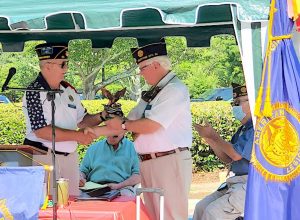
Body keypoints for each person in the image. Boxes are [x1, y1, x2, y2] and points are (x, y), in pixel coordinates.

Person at [89, 41, 193, 220]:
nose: (140, 72)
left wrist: (121, 125)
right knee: (153, 216)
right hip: (151, 162)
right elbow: (131, 120)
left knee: (170, 215)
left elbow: (152, 125)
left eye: (143, 67)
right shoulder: (154, 91)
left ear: (156, 65)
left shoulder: (174, 90)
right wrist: (97, 132)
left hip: (168, 160)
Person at [22, 42, 120, 196]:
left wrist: (103, 115)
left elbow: (82, 120)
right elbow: (41, 131)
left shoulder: (69, 90)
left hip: (69, 159)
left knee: (71, 207)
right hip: (44, 158)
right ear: (48, 66)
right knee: (45, 209)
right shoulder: (33, 91)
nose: (66, 69)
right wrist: (78, 136)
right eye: (63, 64)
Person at [192, 83, 254, 220]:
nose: (234, 107)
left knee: (213, 213)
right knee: (201, 208)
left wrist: (215, 136)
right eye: (233, 103)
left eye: (238, 102)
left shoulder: (256, 127)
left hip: (252, 184)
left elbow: (235, 155)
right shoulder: (242, 129)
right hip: (237, 183)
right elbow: (227, 158)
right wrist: (209, 138)